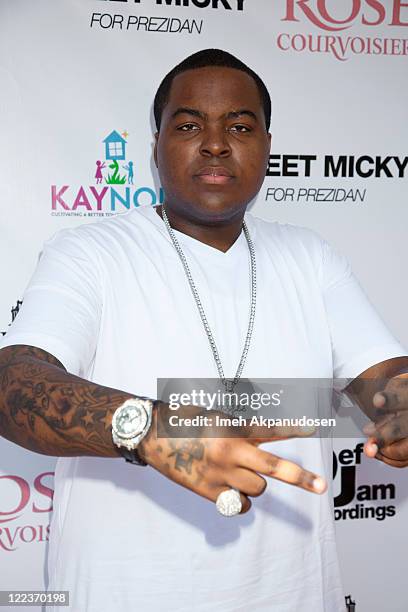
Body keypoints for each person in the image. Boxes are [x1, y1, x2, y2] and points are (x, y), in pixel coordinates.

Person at [0, 49, 407, 612]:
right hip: (124, 597)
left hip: (290, 595)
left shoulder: (311, 256)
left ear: (267, 145)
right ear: (156, 147)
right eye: (189, 125)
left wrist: (400, 412)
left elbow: (384, 382)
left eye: (240, 126)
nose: (215, 143)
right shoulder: (88, 252)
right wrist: (155, 429)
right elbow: (14, 382)